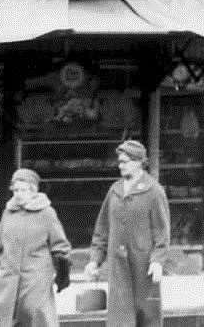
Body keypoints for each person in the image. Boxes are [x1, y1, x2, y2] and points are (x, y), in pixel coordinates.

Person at [84, 139, 171, 327]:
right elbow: (102, 230)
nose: (120, 166)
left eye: (125, 162)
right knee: (119, 319)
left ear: (139, 162)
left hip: (144, 267)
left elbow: (162, 233)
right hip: (118, 268)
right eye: (120, 161)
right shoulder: (114, 191)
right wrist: (94, 260)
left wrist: (157, 261)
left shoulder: (154, 191)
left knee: (147, 317)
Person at [0, 168, 71, 327]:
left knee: (37, 318)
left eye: (22, 190)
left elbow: (60, 248)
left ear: (33, 190)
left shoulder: (46, 213)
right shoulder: (8, 213)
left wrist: (62, 275)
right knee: (2, 319)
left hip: (35, 281)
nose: (18, 194)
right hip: (8, 281)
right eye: (15, 190)